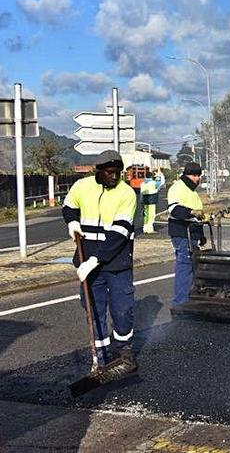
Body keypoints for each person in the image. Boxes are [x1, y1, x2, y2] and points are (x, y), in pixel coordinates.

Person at [61, 150, 137, 367]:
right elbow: (68, 206)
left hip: (117, 263)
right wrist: (72, 222)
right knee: (94, 309)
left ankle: (123, 350)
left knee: (122, 309)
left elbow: (119, 233)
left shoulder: (127, 194)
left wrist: (94, 260)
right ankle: (101, 357)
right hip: (87, 261)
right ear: (98, 171)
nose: (114, 177)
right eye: (110, 172)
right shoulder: (81, 187)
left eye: (118, 173)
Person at [167, 162, 206, 305]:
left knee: (193, 264)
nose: (197, 179)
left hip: (192, 233)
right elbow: (174, 209)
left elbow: (197, 216)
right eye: (195, 176)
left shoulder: (192, 192)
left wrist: (201, 235)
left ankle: (192, 296)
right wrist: (191, 212)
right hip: (182, 233)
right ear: (187, 175)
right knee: (184, 265)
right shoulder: (177, 188)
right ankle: (180, 302)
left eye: (199, 176)